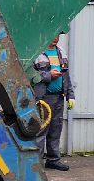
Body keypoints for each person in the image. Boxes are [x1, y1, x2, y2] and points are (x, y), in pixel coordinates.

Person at [31, 35, 75, 171]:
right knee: (41, 130)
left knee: (56, 129)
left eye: (58, 36)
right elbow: (31, 76)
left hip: (59, 98)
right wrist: (49, 75)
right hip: (44, 98)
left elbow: (66, 75)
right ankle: (36, 163)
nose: (56, 38)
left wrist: (70, 95)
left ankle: (53, 159)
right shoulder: (37, 53)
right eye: (53, 35)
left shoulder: (61, 52)